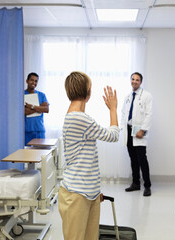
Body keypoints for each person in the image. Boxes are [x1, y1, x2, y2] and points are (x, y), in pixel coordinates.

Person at [59, 71, 119, 240]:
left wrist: (95, 190)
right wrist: (113, 109)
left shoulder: (77, 117)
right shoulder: (79, 118)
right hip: (76, 194)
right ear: (88, 92)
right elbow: (113, 135)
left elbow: (86, 158)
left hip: (87, 192)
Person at [121, 72, 153, 197]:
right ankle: (135, 183)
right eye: (133, 79)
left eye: (137, 80)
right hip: (129, 129)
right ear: (130, 81)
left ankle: (147, 186)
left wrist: (143, 130)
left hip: (139, 129)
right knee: (133, 159)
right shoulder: (128, 96)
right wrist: (122, 127)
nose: (134, 81)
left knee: (142, 159)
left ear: (141, 82)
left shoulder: (146, 95)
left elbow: (149, 114)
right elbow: (124, 113)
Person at [24, 72, 49, 145]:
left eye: (36, 81)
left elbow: (46, 109)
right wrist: (39, 107)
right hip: (27, 131)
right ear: (27, 81)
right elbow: (24, 111)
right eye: (31, 80)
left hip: (39, 131)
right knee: (27, 155)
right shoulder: (22, 95)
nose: (33, 82)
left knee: (40, 154)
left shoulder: (42, 95)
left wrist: (31, 106)